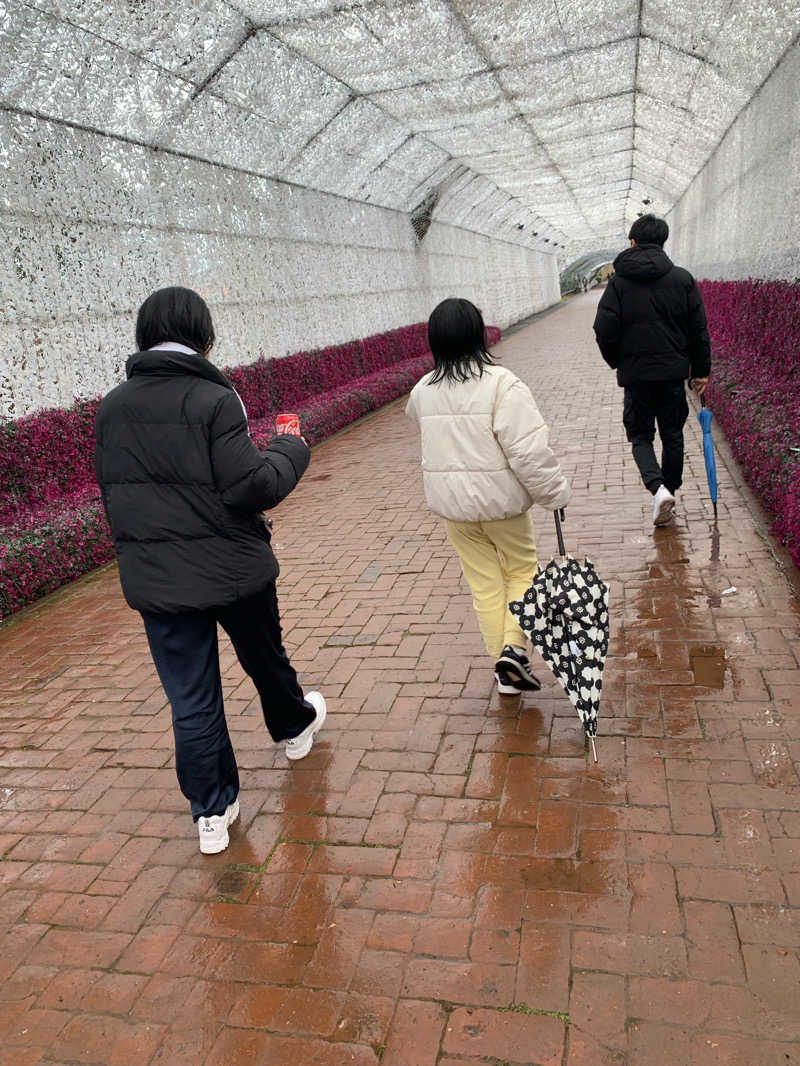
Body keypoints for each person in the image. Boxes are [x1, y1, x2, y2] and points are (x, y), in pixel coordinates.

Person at [94, 287, 325, 855]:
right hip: (232, 569)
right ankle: (295, 730)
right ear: (202, 332)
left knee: (192, 700)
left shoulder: (112, 407)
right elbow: (252, 485)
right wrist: (289, 447)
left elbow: (118, 495)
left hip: (159, 581)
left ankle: (213, 813)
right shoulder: (213, 398)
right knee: (265, 661)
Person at [406, 297, 571, 695]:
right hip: (501, 507)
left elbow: (418, 418)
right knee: (522, 570)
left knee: (483, 585)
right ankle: (514, 650)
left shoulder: (422, 391)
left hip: (454, 510)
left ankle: (504, 671)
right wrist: (554, 495)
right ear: (478, 334)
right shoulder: (502, 385)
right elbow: (528, 451)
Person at [593, 214, 711, 526]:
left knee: (640, 436)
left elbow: (603, 328)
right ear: (662, 242)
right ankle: (668, 491)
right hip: (672, 374)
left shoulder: (618, 284)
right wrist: (701, 371)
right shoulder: (682, 279)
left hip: (637, 377)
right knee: (672, 433)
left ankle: (658, 491)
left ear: (632, 242)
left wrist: (617, 360)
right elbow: (698, 329)